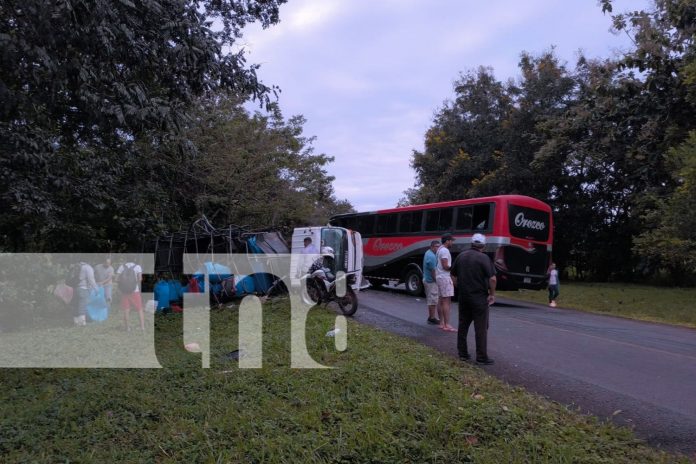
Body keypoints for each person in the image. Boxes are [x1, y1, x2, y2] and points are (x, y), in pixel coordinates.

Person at [451, 233, 496, 365]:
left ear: (471, 243)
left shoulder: (461, 256)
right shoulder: (484, 258)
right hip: (479, 297)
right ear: (483, 245)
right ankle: (481, 356)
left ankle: (463, 353)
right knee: (480, 327)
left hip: (464, 297)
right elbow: (492, 278)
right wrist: (492, 294)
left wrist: (459, 288)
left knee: (463, 325)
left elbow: (453, 276)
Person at [435, 234, 456, 332]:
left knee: (440, 300)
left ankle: (441, 323)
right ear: (447, 241)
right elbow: (445, 266)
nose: (452, 242)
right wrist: (454, 268)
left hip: (439, 276)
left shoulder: (439, 249)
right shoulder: (444, 250)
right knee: (446, 301)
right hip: (444, 277)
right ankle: (447, 324)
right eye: (451, 240)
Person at [116, 260, 144, 332]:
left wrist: (122, 286)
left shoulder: (122, 267)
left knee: (126, 309)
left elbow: (116, 279)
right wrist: (134, 284)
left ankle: (128, 328)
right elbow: (140, 279)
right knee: (139, 309)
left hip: (125, 291)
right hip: (135, 291)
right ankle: (142, 327)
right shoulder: (137, 267)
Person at [422, 240, 441, 325]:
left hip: (427, 279)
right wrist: (437, 281)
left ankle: (431, 317)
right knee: (433, 300)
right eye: (437, 246)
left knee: (432, 299)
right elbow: (433, 271)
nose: (438, 248)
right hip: (431, 281)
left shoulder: (428, 252)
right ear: (432, 247)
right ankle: (432, 318)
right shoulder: (432, 256)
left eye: (439, 246)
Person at [75, 261, 98, 326]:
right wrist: (96, 289)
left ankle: (76, 321)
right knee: (83, 305)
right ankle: (82, 322)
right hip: (84, 288)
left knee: (77, 304)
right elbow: (91, 279)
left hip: (76, 288)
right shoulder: (88, 267)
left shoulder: (78, 265)